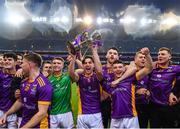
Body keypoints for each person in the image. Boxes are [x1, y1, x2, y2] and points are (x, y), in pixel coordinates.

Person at [101, 47, 153, 128]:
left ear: (124, 69)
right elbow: (102, 96)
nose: (118, 69)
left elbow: (148, 68)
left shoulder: (130, 79)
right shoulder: (109, 84)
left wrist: (147, 55)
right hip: (115, 118)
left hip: (131, 117)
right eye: (115, 67)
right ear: (112, 70)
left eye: (120, 67)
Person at [0, 52, 53, 128]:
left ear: (30, 65)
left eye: (22, 63)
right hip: (24, 123)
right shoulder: (24, 82)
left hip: (39, 126)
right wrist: (6, 114)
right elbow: (20, 101)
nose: (21, 66)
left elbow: (42, 113)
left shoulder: (44, 84)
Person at [68, 45, 104, 128]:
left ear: (94, 65)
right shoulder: (80, 77)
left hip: (96, 114)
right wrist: (73, 57)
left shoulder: (98, 77)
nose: (87, 64)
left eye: (90, 62)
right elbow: (71, 73)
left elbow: (99, 71)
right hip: (82, 114)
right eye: (85, 63)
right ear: (83, 65)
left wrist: (94, 50)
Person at [148, 47, 180, 128]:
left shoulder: (175, 69)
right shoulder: (152, 70)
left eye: (163, 54)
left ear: (169, 57)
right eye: (158, 54)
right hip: (153, 106)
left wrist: (175, 94)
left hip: (169, 106)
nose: (159, 56)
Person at [48, 57, 74, 128]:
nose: (56, 65)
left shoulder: (68, 77)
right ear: (52, 65)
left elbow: (81, 70)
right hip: (53, 113)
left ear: (63, 65)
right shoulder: (47, 80)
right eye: (54, 63)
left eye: (59, 63)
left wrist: (74, 59)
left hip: (66, 113)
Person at [101, 47, 120, 128]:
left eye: (115, 53)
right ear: (106, 55)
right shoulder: (100, 69)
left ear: (118, 57)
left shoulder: (122, 70)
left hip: (117, 103)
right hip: (103, 103)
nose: (112, 55)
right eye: (110, 53)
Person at [0, 52, 18, 128]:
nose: (7, 61)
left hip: (16, 112)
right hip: (1, 110)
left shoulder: (21, 75)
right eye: (5, 59)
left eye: (10, 59)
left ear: (16, 62)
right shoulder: (1, 76)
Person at [134, 51, 151, 128]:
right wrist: (136, 91)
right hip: (132, 106)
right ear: (135, 60)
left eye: (144, 57)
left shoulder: (149, 73)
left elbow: (151, 87)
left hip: (145, 106)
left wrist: (148, 92)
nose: (143, 59)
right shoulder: (128, 72)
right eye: (140, 57)